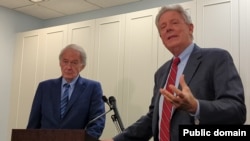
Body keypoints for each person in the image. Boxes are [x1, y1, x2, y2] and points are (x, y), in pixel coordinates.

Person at [102, 4, 246, 141]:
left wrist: (196, 106)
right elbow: (153, 118)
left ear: (190, 28)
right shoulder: (161, 73)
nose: (168, 29)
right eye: (162, 27)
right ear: (161, 38)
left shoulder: (217, 58)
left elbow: (237, 111)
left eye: (174, 23)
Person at [27, 44, 105, 139]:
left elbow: (97, 123)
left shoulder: (92, 88)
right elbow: (33, 124)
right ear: (60, 63)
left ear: (82, 66)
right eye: (65, 61)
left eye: (74, 63)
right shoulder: (44, 87)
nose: (68, 67)